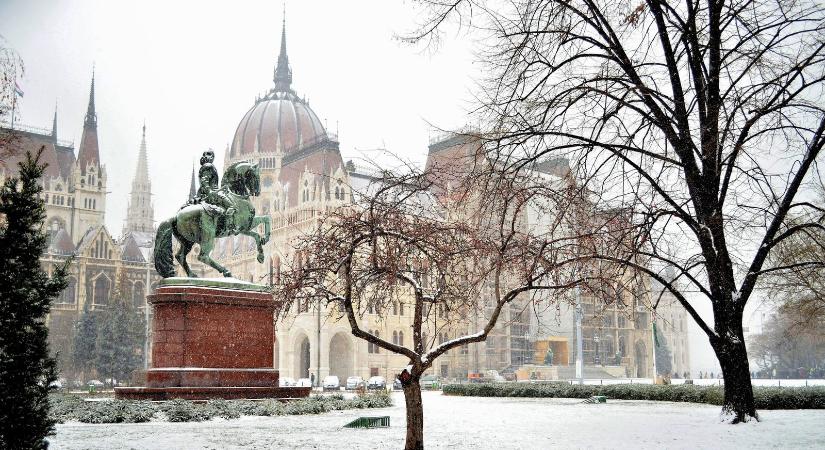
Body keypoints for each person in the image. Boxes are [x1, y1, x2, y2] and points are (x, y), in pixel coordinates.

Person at [193, 150, 240, 235]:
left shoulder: (205, 166)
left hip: (204, 193)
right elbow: (204, 180)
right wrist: (210, 191)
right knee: (232, 206)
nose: (212, 158)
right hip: (212, 193)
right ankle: (230, 227)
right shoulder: (208, 166)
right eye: (211, 155)